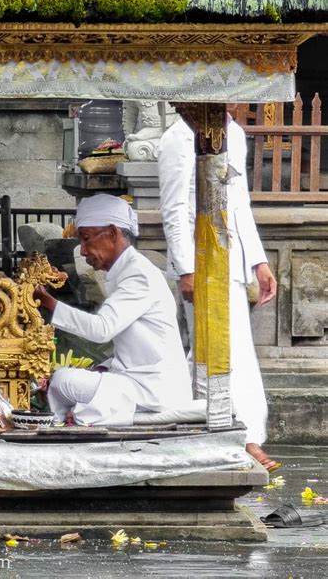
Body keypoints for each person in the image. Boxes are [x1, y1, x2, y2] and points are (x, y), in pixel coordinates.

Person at [158, 109, 279, 471]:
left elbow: (239, 201)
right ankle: (227, 436)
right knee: (209, 349)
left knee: (239, 349)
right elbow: (175, 208)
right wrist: (186, 268)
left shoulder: (234, 132)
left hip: (232, 258)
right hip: (200, 257)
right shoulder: (177, 138)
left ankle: (249, 433)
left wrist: (258, 261)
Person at [34, 194, 194, 426]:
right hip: (137, 382)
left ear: (112, 233)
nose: (83, 250)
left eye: (87, 239)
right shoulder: (126, 271)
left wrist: (48, 303)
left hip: (154, 390)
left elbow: (101, 329)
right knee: (68, 379)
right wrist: (103, 368)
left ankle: (60, 423)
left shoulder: (138, 275)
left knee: (63, 380)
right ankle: (67, 418)